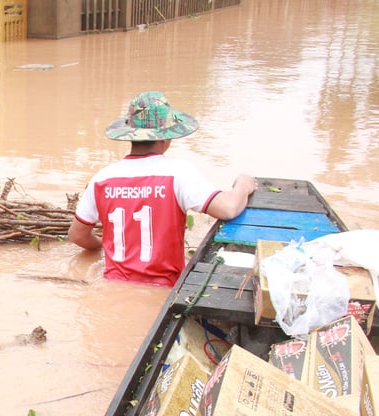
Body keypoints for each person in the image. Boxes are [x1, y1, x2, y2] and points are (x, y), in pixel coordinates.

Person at [69, 91, 258, 286]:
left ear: (130, 136)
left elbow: (77, 235)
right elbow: (228, 208)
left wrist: (103, 246)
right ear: (165, 138)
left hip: (113, 284)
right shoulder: (178, 173)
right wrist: (243, 184)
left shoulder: (102, 179)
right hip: (163, 289)